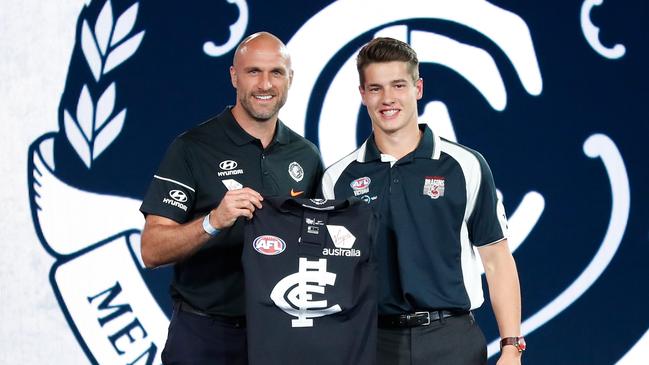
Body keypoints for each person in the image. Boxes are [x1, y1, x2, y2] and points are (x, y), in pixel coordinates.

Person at [320, 37, 524, 365]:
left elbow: (497, 260)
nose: (388, 99)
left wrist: (512, 346)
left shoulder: (465, 166)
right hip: (373, 341)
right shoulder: (337, 179)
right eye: (375, 88)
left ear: (418, 88)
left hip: (451, 340)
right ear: (362, 95)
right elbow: (333, 273)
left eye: (398, 85)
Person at [139, 32, 323, 364]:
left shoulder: (306, 156)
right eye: (254, 71)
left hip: (279, 333)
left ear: (290, 79)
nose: (265, 84)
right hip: (204, 334)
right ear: (234, 76)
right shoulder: (192, 148)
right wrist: (213, 222)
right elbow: (151, 250)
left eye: (276, 72)